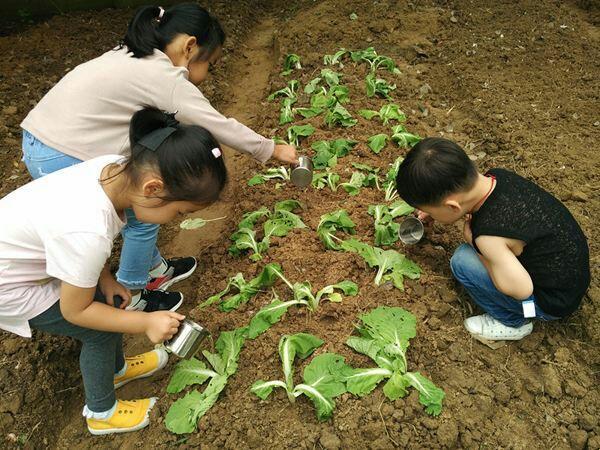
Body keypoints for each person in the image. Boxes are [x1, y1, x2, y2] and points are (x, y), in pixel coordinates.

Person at [20, 3, 297, 312]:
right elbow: (215, 124)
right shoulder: (164, 77)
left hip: (43, 139)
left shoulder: (133, 53)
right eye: (212, 64)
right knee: (143, 214)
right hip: (63, 152)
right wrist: (271, 149)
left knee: (142, 200)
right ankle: (134, 292)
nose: (208, 74)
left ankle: (154, 270)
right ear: (190, 46)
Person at [0, 108, 227, 434]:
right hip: (9, 285)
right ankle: (101, 412)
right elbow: (76, 311)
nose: (175, 220)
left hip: (28, 256)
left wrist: (104, 278)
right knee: (98, 329)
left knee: (109, 307)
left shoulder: (112, 168)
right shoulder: (86, 229)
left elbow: (86, 246)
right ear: (153, 188)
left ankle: (116, 369)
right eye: (179, 212)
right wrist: (145, 321)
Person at [395, 137, 590, 341]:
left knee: (462, 261)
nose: (427, 214)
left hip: (551, 302)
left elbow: (521, 290)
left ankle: (513, 323)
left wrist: (477, 247)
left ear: (453, 206)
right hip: (570, 274)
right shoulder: (497, 177)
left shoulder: (489, 238)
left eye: (430, 211)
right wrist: (436, 209)